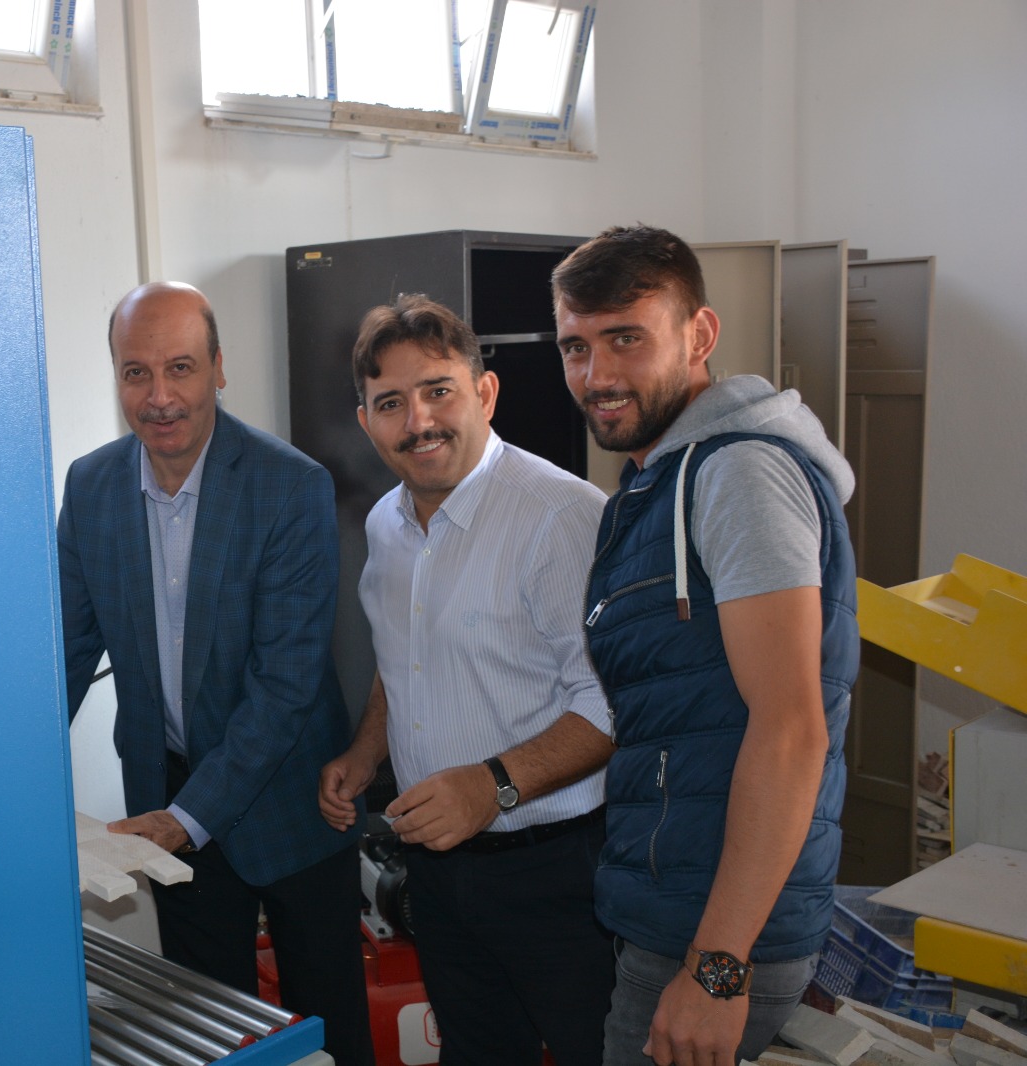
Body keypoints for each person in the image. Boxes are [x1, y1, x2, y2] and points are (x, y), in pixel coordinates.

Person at [551, 225, 858, 1066]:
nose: (597, 375)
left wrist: (718, 969)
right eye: (576, 346)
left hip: (717, 934)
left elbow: (792, 730)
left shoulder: (737, 474)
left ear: (700, 335)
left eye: (626, 338)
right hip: (678, 907)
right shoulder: (655, 485)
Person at [58, 281, 373, 1066]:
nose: (159, 397)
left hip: (293, 804)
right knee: (207, 1036)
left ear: (219, 368)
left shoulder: (290, 486)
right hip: (167, 790)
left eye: (181, 368)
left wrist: (185, 818)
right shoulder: (90, 487)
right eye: (136, 373)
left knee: (327, 1033)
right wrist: (7, 794)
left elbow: (286, 685)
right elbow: (63, 654)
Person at [318, 294, 616, 1066]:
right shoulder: (385, 525)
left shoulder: (561, 516)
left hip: (559, 871)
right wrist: (366, 752)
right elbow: (406, 658)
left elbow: (610, 701)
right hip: (439, 869)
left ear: (485, 393)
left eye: (438, 391)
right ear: (367, 422)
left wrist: (494, 786)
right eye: (391, 403)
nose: (418, 421)